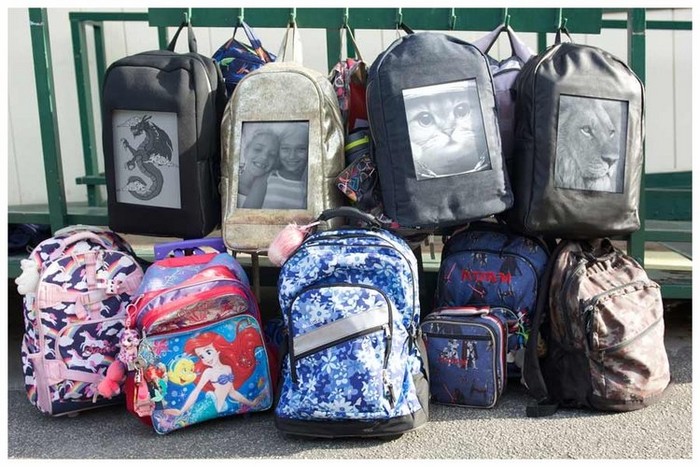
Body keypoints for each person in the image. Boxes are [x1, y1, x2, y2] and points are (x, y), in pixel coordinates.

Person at [162, 332, 267, 417]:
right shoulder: (208, 372)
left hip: (219, 407)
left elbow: (232, 392)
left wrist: (251, 403)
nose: (206, 359)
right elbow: (196, 391)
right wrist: (181, 411)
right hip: (209, 406)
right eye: (202, 356)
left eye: (208, 352)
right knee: (189, 418)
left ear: (218, 349)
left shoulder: (228, 368)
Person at [243, 123, 308, 209]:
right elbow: (246, 214)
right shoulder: (267, 179)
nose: (292, 156)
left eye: (301, 149)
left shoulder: (312, 185)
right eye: (285, 148)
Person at [237, 129, 280, 207]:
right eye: (258, 149)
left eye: (272, 154)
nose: (264, 157)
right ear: (246, 151)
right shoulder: (230, 185)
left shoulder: (272, 194)